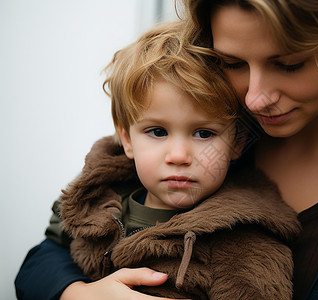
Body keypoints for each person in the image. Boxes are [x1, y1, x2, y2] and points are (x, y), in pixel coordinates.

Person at [15, 0, 318, 299]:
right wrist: (80, 293)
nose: (256, 98)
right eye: (234, 62)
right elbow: (49, 255)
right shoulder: (200, 112)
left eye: (288, 63)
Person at [15, 21, 301, 299]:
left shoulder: (245, 237)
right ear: (126, 139)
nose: (178, 156)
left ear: (237, 143)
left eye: (203, 133)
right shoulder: (94, 199)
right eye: (158, 131)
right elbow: (37, 268)